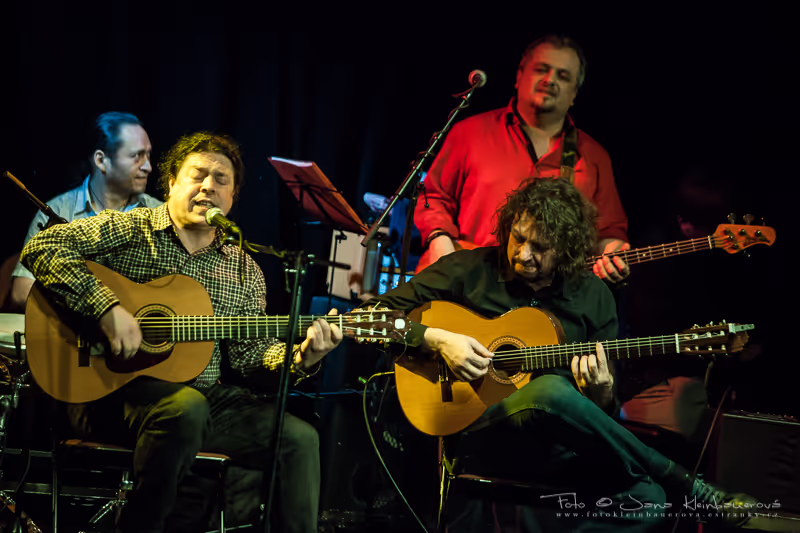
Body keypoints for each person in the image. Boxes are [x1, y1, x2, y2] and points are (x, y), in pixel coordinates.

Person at [367, 178, 755, 531]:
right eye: (518, 238)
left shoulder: (595, 297)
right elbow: (372, 316)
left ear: (567, 249)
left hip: (558, 455)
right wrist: (436, 339)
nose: (523, 254)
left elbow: (599, 421)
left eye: (539, 247)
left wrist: (601, 394)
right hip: (482, 435)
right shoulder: (468, 270)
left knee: (648, 503)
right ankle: (689, 485)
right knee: (549, 389)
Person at [21, 132, 342, 533]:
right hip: (106, 391)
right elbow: (43, 247)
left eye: (221, 180)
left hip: (203, 402)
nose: (208, 186)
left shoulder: (244, 269)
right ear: (171, 183)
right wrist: (106, 309)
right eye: (197, 175)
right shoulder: (131, 228)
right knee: (186, 408)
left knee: (298, 438)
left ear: (233, 197)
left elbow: (250, 357)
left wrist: (302, 357)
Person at [415, 34, 630, 284]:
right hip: (466, 283)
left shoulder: (594, 157)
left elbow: (608, 232)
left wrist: (612, 252)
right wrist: (439, 240)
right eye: (542, 69)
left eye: (563, 76)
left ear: (574, 94)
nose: (550, 80)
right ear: (519, 76)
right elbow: (433, 197)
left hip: (545, 296)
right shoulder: (468, 133)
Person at [9, 111, 163, 311]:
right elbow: (21, 291)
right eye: (136, 156)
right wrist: (96, 310)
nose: (148, 167)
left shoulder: (159, 213)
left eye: (148, 155)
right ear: (101, 160)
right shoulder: (59, 209)